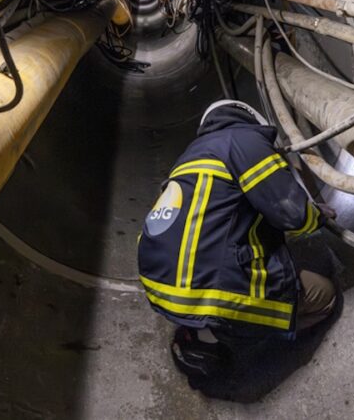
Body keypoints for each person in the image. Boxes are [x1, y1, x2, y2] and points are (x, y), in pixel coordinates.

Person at [136, 99, 338, 383]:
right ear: (249, 117)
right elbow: (293, 213)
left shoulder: (187, 158)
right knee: (324, 296)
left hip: (158, 284)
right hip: (208, 287)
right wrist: (315, 216)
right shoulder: (244, 141)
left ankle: (200, 331)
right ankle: (237, 333)